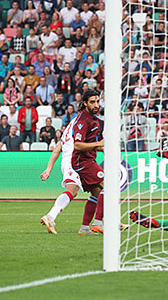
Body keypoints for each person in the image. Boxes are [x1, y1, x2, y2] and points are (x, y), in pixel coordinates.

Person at [40, 115, 83, 234]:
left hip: (72, 161)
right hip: (73, 161)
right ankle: (51, 216)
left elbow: (57, 150)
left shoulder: (69, 129)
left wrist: (48, 169)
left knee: (98, 189)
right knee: (72, 190)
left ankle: (102, 222)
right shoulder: (82, 125)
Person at [72, 90, 106, 234]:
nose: (96, 105)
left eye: (97, 101)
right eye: (92, 102)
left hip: (89, 159)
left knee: (96, 192)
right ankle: (98, 223)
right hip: (82, 161)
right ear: (85, 103)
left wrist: (101, 147)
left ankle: (84, 228)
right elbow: (78, 145)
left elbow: (91, 143)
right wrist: (99, 143)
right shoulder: (82, 121)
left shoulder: (94, 119)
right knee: (109, 186)